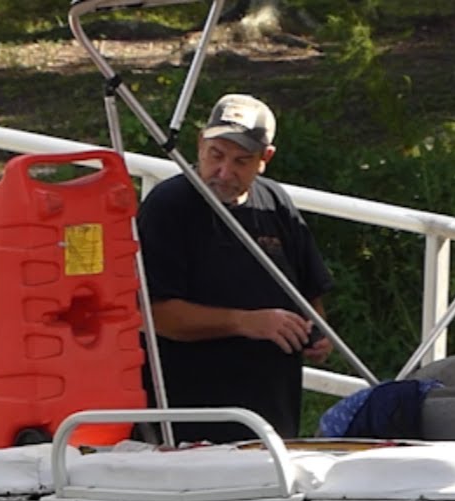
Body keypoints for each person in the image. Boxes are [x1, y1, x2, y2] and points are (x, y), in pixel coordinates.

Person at [137, 93, 334, 444]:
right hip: (191, 421)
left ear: (264, 159)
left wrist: (316, 331)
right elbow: (153, 314)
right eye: (216, 155)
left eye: (241, 161)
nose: (224, 172)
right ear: (200, 143)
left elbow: (310, 290)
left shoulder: (275, 203)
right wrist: (245, 322)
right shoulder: (168, 206)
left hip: (272, 419)